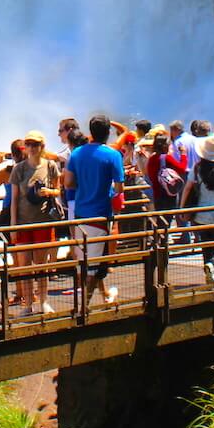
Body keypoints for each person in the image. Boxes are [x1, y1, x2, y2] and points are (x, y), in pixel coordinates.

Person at [63, 116, 124, 307]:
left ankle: (104, 295)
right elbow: (120, 188)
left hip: (80, 213)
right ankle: (83, 308)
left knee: (86, 262)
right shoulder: (113, 155)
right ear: (108, 133)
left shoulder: (76, 153)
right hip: (100, 214)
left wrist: (86, 183)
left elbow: (68, 183)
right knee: (94, 266)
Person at [8, 131, 61, 316]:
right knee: (24, 265)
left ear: (42, 146)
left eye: (35, 144)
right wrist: (13, 226)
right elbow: (14, 199)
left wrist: (49, 192)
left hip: (43, 221)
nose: (31, 147)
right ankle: (28, 304)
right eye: (28, 144)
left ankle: (44, 301)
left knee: (41, 264)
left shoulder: (51, 166)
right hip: (23, 223)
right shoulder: (19, 169)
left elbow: (58, 190)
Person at [181, 135, 214, 287]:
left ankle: (209, 272)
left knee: (206, 245)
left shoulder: (197, 168)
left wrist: (182, 208)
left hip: (201, 215)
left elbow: (188, 188)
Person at [145, 128, 187, 213]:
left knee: (160, 217)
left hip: (156, 193)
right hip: (168, 193)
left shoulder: (151, 159)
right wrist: (183, 155)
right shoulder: (167, 158)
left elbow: (150, 175)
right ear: (165, 146)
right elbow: (182, 168)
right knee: (168, 217)